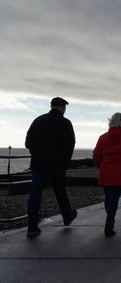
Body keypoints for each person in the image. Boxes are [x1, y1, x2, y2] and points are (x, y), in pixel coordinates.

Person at [25, 97, 78, 238]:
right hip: (57, 164)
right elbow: (70, 144)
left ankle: (32, 226)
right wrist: (65, 161)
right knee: (60, 192)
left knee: (35, 194)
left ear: (51, 106)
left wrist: (36, 154)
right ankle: (67, 216)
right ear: (62, 107)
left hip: (38, 164)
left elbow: (28, 142)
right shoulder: (65, 123)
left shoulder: (38, 120)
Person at [92, 112, 121, 237]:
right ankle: (109, 222)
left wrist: (101, 166)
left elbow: (96, 155)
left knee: (108, 197)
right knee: (114, 197)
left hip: (105, 170)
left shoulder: (103, 137)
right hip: (119, 171)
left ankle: (109, 218)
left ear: (111, 121)